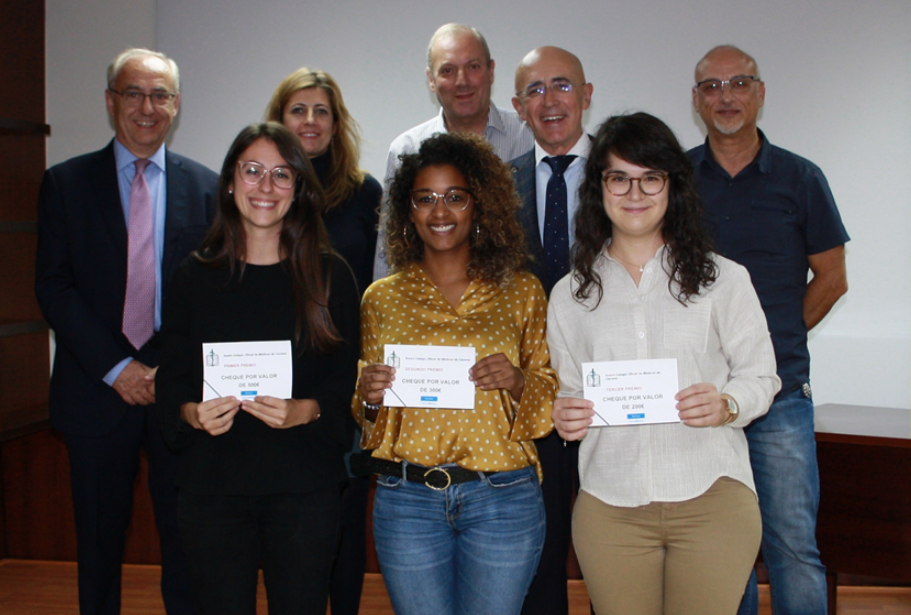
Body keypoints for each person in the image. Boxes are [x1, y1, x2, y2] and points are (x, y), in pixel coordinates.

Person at [548, 112, 781, 615]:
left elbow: (762, 377)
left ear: (673, 185)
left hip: (712, 498)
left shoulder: (725, 280)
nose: (635, 192)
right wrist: (566, 416)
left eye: (650, 177)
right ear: (599, 187)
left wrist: (727, 403)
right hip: (610, 507)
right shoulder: (569, 295)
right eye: (619, 177)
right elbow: (570, 393)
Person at [34, 47, 217, 615]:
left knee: (186, 542)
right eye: (133, 93)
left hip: (176, 392)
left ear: (177, 105)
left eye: (160, 95)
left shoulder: (208, 188)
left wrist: (162, 368)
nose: (147, 106)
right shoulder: (65, 184)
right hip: (95, 391)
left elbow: (208, 295)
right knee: (98, 543)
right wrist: (120, 367)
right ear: (111, 101)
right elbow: (54, 288)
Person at [155, 122, 360, 615]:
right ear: (229, 182)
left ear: (299, 190)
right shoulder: (193, 277)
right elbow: (172, 381)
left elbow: (349, 383)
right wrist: (190, 414)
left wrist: (307, 410)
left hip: (305, 490)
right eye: (252, 171)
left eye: (281, 175)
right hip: (212, 490)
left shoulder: (331, 276)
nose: (265, 187)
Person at [354, 132, 556, 615]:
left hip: (502, 497)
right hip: (407, 502)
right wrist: (368, 396)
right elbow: (367, 423)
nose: (439, 212)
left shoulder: (522, 291)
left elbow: (550, 392)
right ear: (408, 211)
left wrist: (516, 380)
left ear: (478, 204)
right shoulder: (380, 298)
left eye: (454, 197)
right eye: (424, 199)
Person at [688, 45, 850, 615]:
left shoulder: (802, 177)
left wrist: (766, 343)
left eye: (738, 83)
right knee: (723, 549)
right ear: (696, 100)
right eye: (712, 86)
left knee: (793, 548)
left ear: (760, 92)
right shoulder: (676, 181)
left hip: (780, 395)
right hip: (703, 399)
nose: (725, 97)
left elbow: (832, 278)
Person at [266, 68, 381, 615]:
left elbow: (381, 288)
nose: (309, 121)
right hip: (274, 379)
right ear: (279, 119)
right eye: (298, 110)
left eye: (321, 111)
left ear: (337, 125)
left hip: (343, 381)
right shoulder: (263, 193)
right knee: (289, 517)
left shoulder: (366, 193)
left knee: (347, 509)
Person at [508, 46, 593, 615]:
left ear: (587, 96)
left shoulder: (624, 179)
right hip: (533, 397)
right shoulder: (497, 187)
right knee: (540, 556)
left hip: (609, 396)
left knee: (612, 554)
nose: (550, 100)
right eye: (535, 90)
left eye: (561, 85)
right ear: (518, 107)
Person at [373, 23, 533, 279]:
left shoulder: (528, 136)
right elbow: (388, 250)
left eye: (473, 67)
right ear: (431, 80)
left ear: (491, 71)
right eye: (448, 70)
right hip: (426, 308)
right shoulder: (405, 149)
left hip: (511, 304)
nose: (462, 81)